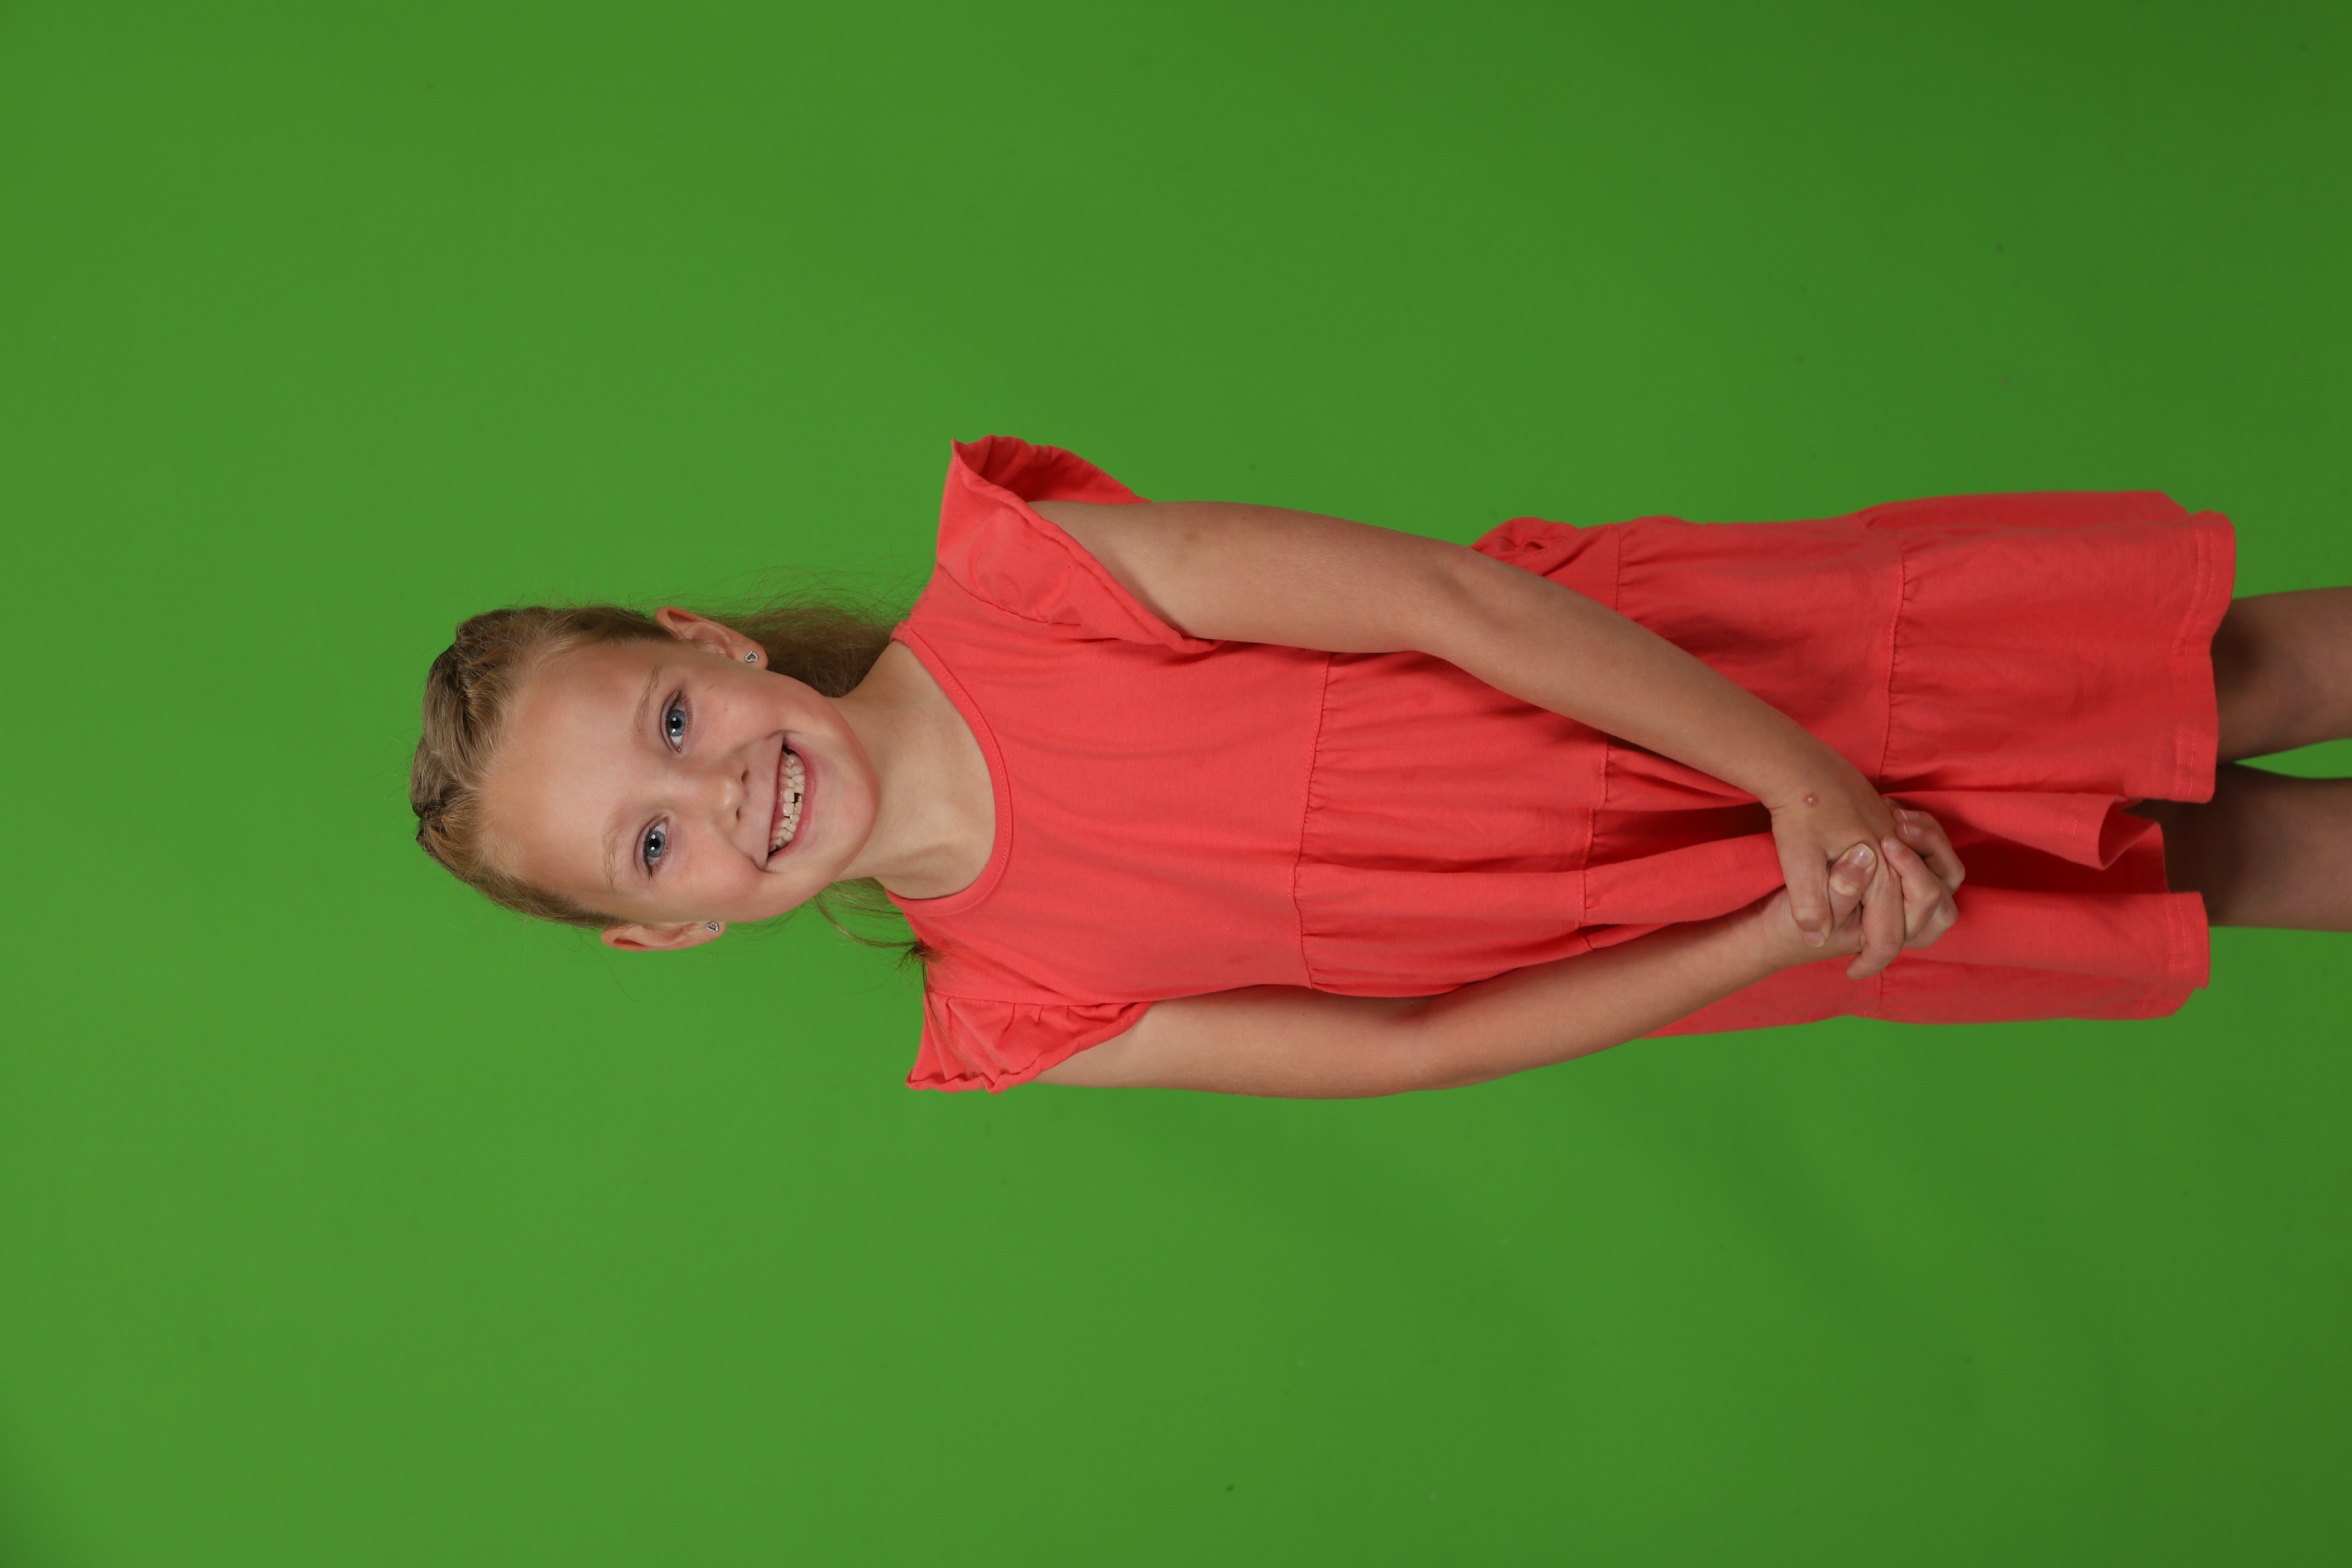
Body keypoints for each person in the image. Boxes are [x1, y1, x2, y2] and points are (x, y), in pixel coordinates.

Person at [409, 438, 2351, 1097]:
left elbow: (1454, 605)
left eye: (673, 721)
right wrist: (1772, 928)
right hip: (1708, 900)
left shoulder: (1036, 583)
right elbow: (1419, 1046)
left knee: (2218, 673)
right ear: (667, 932)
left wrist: (1794, 773)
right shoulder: (1023, 1014)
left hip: (1718, 689)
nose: (718, 792)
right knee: (2215, 865)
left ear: (713, 644)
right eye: (649, 846)